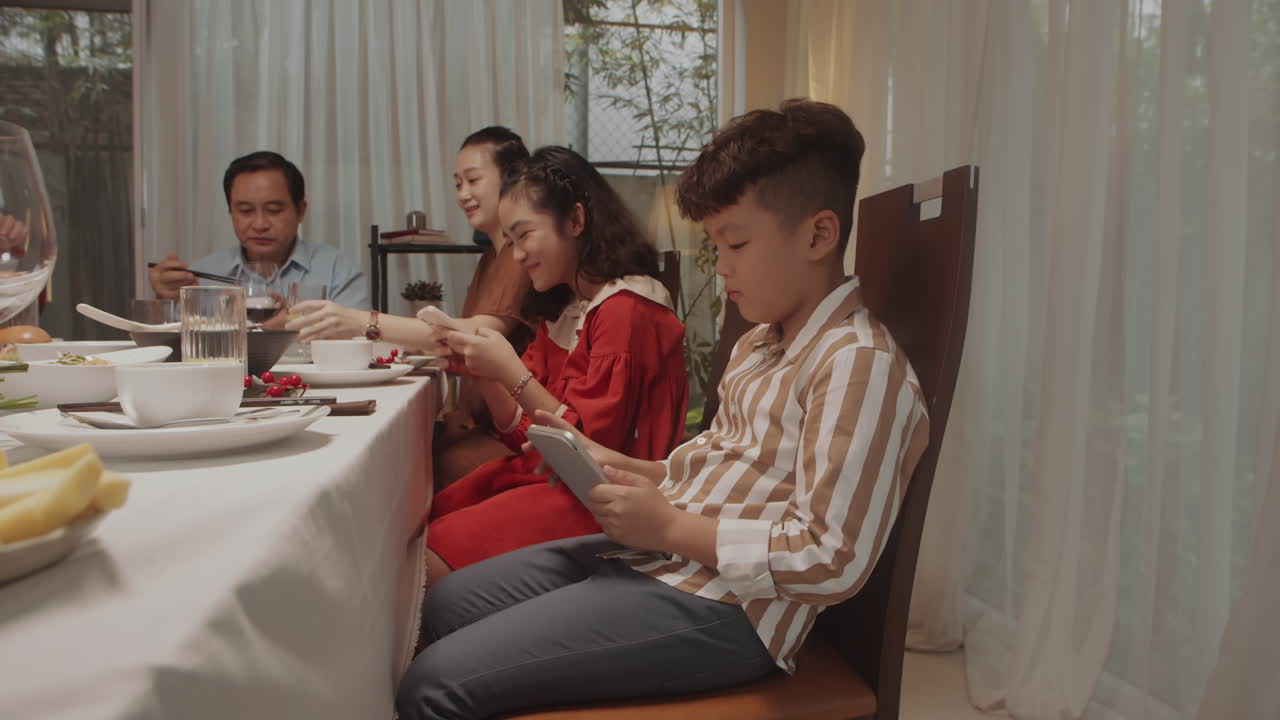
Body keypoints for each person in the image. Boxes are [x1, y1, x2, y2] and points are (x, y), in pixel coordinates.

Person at [395, 99, 931, 720]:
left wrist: (670, 529)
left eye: (735, 244)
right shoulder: (762, 343)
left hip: (726, 609)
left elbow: (830, 558)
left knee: (430, 685)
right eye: (716, 247)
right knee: (441, 603)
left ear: (819, 234)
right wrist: (615, 464)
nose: (722, 269)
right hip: (661, 556)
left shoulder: (857, 363)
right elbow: (705, 463)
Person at [421, 145, 688, 588]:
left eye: (524, 235)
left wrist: (509, 370)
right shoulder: (569, 310)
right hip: (562, 484)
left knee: (428, 556)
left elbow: (588, 450)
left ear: (576, 221)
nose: (517, 255)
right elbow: (526, 432)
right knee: (421, 522)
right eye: (509, 241)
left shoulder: (627, 309)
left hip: (608, 500)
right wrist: (486, 375)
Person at [286, 127, 537, 486]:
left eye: (473, 180)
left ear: (512, 179)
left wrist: (362, 321)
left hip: (507, 434)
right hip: (477, 422)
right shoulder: (491, 257)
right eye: (457, 184)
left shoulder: (518, 255)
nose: (463, 194)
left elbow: (478, 332)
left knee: (387, 467)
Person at [147, 151, 369, 313]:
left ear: (300, 211)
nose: (260, 224)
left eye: (274, 210)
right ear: (231, 211)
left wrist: (295, 328)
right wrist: (164, 299)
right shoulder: (199, 278)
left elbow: (357, 342)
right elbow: (171, 351)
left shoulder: (337, 272)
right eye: (245, 211)